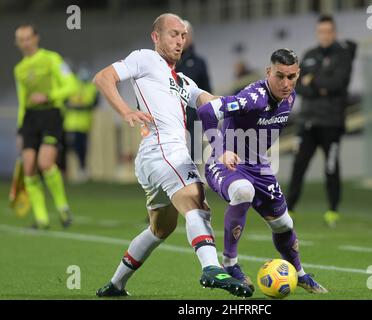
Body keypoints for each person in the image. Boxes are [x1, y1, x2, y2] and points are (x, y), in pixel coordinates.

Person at [93, 13, 252, 298]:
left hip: (153, 158)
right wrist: (126, 111)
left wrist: (249, 104)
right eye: (173, 34)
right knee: (196, 202)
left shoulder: (183, 81)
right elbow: (103, 78)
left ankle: (115, 285)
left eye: (183, 36)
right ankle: (212, 268)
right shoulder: (145, 58)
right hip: (164, 149)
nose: (179, 40)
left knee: (161, 228)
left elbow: (209, 101)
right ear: (156, 37)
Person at [197, 48, 328, 294]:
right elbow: (207, 111)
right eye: (280, 76)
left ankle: (299, 274)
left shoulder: (290, 96)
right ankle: (230, 266)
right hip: (224, 164)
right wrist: (221, 149)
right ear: (269, 72)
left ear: (298, 74)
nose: (286, 83)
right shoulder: (253, 97)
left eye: (291, 77)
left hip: (259, 168)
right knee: (243, 191)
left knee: (284, 224)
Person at [286, 15, 356, 228]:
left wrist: (314, 80)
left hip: (332, 122)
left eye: (328, 31)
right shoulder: (308, 55)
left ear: (334, 33)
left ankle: (333, 211)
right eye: (321, 32)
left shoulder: (343, 56)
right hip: (308, 121)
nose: (324, 35)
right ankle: (289, 210)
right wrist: (319, 87)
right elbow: (297, 85)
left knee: (331, 167)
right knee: (299, 166)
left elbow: (337, 84)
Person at [14, 24, 77, 229]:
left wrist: (49, 96)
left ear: (36, 38)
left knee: (45, 163)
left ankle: (62, 208)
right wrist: (19, 130)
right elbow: (22, 102)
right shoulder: (19, 69)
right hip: (30, 119)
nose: (24, 42)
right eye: (20, 39)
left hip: (51, 114)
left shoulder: (52, 59)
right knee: (29, 167)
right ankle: (41, 219)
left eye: (27, 38)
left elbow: (72, 85)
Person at [176, 20, 212, 162]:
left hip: (193, 122)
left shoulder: (198, 63)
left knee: (192, 163)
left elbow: (207, 91)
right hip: (172, 122)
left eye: (184, 34)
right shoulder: (167, 62)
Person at [63, 67, 99, 182]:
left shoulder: (92, 88)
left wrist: (79, 107)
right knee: (65, 148)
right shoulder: (72, 85)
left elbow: (94, 104)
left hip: (83, 124)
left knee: (81, 148)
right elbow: (64, 101)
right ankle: (64, 171)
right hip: (69, 124)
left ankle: (82, 170)